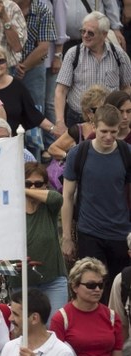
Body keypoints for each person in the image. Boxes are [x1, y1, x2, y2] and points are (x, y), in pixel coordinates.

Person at [61, 104, 131, 292]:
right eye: (104, 131)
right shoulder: (78, 154)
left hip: (120, 233)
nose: (109, 137)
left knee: (119, 290)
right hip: (89, 233)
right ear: (94, 127)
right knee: (91, 288)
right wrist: (67, 237)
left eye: (113, 132)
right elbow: (66, 197)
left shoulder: (126, 153)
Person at [50, 257, 123, 356]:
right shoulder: (61, 319)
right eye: (91, 285)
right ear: (75, 286)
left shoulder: (112, 317)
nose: (97, 289)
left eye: (101, 285)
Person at [55, 11, 131, 131]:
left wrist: (124, 114)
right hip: (78, 118)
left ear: (104, 35)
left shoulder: (119, 55)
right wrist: (60, 121)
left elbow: (126, 88)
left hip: (110, 120)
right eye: (83, 31)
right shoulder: (73, 54)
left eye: (90, 33)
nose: (85, 35)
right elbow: (61, 90)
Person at [14, 163, 68, 319]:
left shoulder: (49, 206)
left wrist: (20, 190)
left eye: (38, 184)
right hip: (21, 281)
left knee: (54, 329)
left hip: (53, 280)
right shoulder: (11, 207)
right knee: (26, 331)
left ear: (46, 185)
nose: (33, 187)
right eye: (27, 183)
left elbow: (57, 197)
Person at [0, 289, 75, 356]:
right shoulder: (9, 347)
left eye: (15, 314)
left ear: (34, 318)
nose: (10, 318)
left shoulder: (63, 353)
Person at [0, 44, 56, 138]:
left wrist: (54, 129)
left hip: (13, 141)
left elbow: (33, 114)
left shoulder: (16, 85)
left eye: (1, 61)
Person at [47, 85, 108, 161]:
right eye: (97, 110)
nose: (102, 113)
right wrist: (69, 157)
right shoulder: (78, 130)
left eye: (105, 108)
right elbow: (52, 149)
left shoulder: (113, 129)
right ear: (87, 112)